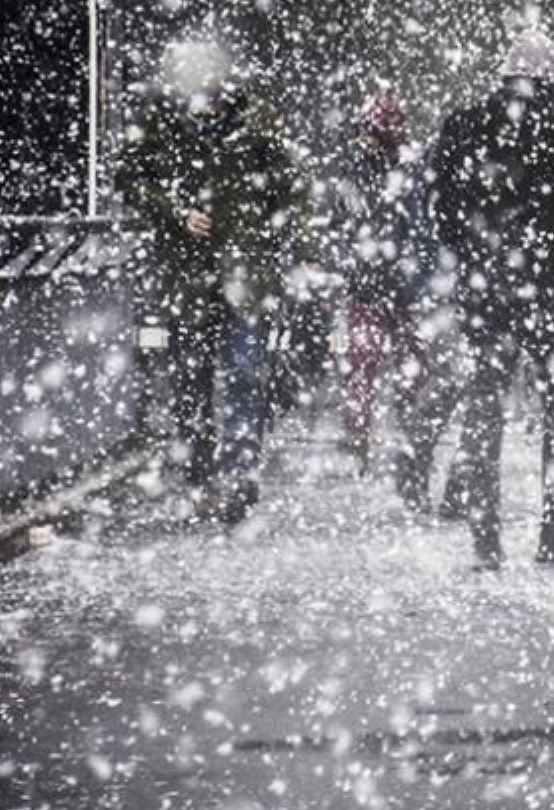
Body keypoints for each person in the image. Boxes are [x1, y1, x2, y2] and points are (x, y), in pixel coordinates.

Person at [116, 39, 313, 526]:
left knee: (244, 375)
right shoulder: (160, 123)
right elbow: (128, 177)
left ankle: (238, 474)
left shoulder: (258, 123)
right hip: (188, 275)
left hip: (243, 271)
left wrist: (293, 247)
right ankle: (203, 477)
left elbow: (293, 188)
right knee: (191, 381)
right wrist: (175, 211)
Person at [429, 31, 554, 568]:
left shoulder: (464, 127)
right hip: (551, 291)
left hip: (486, 290)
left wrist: (479, 259)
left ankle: (486, 539)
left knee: (485, 406)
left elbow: (444, 209)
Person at [326, 90, 437, 479]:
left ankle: (391, 442)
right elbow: (343, 226)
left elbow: (419, 230)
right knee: (369, 368)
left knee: (380, 368)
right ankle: (381, 443)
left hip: (389, 286)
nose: (365, 138)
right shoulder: (379, 170)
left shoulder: (399, 171)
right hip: (379, 286)